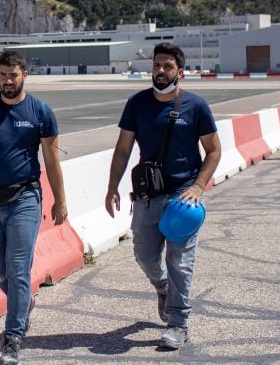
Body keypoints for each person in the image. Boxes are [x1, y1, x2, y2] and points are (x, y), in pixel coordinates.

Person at [104, 44, 221, 350]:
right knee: (144, 256)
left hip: (184, 197)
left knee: (180, 261)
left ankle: (178, 323)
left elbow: (214, 150)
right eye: (157, 65)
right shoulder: (137, 104)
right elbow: (123, 148)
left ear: (179, 72)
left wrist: (198, 187)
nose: (160, 71)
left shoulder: (196, 106)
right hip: (147, 195)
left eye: (167, 66)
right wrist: (111, 186)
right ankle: (162, 286)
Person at [0, 50, 68, 365]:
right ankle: (24, 303)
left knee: (18, 269)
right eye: (2, 74)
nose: (7, 80)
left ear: (24, 75)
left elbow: (52, 161)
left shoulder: (41, 112)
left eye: (13, 75)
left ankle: (12, 339)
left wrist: (60, 200)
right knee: (0, 270)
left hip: (26, 198)